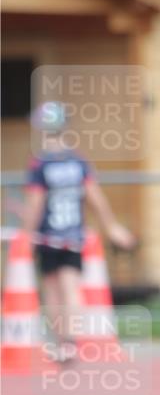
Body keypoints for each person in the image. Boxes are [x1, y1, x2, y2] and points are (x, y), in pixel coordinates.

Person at [23, 101, 135, 362]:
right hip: (73, 235)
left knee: (52, 289)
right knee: (71, 287)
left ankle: (61, 342)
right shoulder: (77, 161)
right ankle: (72, 342)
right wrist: (111, 226)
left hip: (49, 235)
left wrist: (27, 235)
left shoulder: (40, 164)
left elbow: (35, 204)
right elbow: (95, 197)